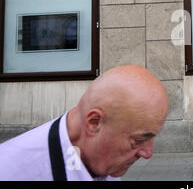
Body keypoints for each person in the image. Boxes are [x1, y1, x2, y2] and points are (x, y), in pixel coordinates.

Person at [0, 65, 168, 181]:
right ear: (94, 122)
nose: (148, 153)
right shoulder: (9, 171)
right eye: (138, 141)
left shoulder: (99, 159)